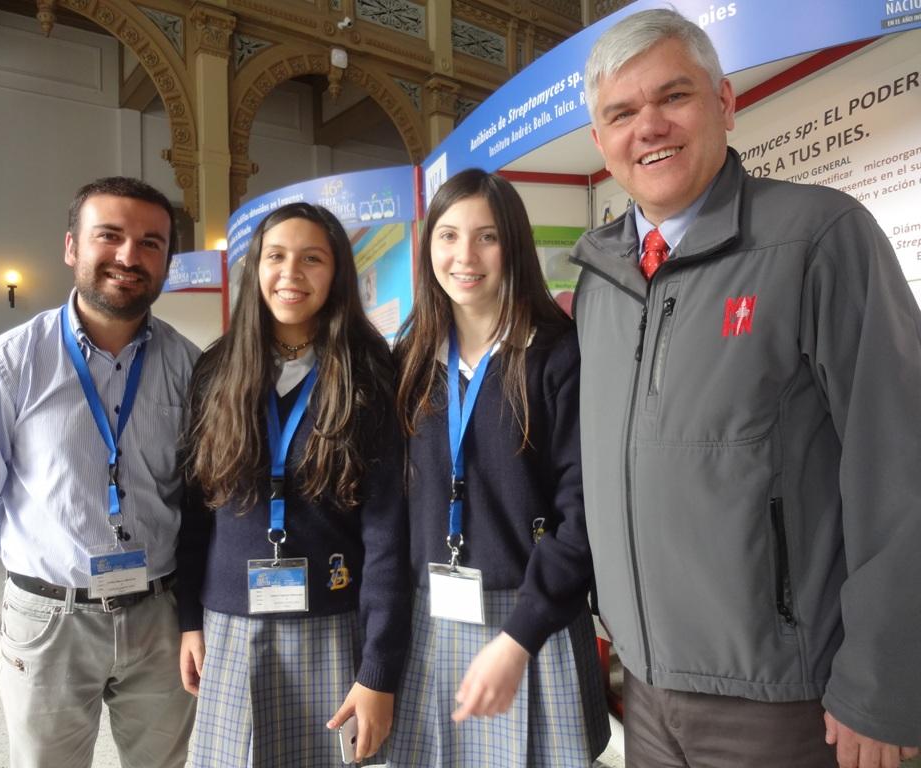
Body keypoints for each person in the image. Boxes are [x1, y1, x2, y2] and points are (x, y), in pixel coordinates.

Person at [572, 9, 921, 768]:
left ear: (725, 103)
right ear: (600, 144)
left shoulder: (818, 240)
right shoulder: (600, 279)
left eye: (675, 97)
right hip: (647, 690)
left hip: (783, 698)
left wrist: (884, 683)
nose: (650, 127)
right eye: (622, 113)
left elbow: (899, 468)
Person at [0, 176, 198, 768]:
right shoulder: (12, 362)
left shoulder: (187, 363)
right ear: (71, 247)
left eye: (151, 243)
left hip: (159, 613)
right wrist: (44, 555)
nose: (129, 256)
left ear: (166, 262)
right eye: (109, 236)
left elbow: (196, 490)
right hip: (48, 618)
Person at [387, 169, 609, 767]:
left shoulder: (558, 354)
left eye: (486, 236)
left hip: (535, 617)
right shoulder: (409, 361)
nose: (464, 256)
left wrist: (522, 635)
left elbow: (583, 511)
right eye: (448, 235)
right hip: (431, 617)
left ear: (513, 244)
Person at [175, 202, 409, 767]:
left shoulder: (369, 372)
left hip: (333, 624)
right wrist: (187, 620)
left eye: (312, 259)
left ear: (337, 273)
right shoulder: (217, 369)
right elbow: (194, 508)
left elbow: (387, 534)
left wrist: (378, 668)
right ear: (255, 267)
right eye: (276, 257)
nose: (291, 274)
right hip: (229, 625)